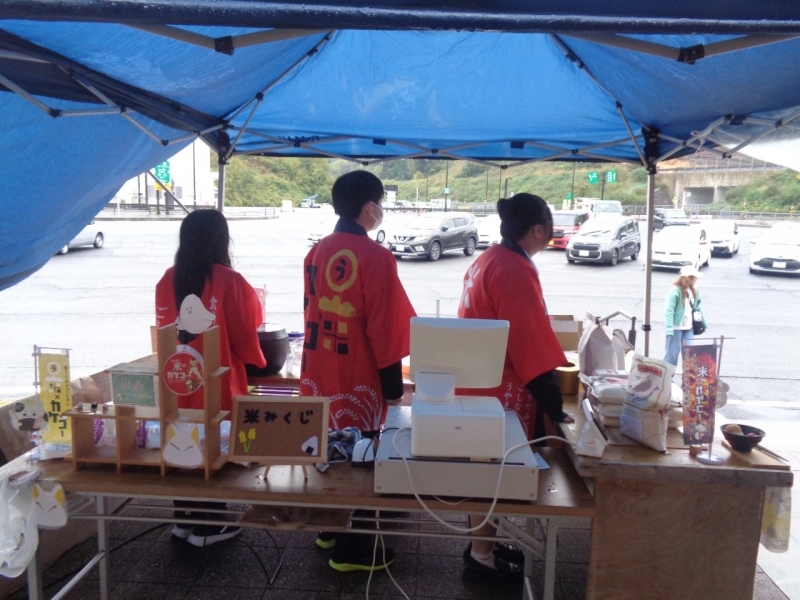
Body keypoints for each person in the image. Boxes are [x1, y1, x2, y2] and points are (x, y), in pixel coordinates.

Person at [301, 170, 416, 572]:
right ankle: (354, 550)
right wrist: (393, 389)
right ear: (370, 207)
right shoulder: (376, 257)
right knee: (362, 457)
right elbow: (385, 329)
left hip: (319, 368)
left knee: (328, 450)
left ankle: (329, 529)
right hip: (357, 374)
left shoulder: (316, 252)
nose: (381, 210)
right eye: (380, 203)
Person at [457, 193, 574, 580]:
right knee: (493, 477)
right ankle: (481, 558)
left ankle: (483, 547)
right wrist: (555, 408)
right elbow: (529, 345)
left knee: (484, 475)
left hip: (477, 383)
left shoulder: (489, 257)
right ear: (539, 230)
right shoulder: (515, 269)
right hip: (500, 391)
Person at [155, 209, 266, 547]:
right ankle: (210, 525)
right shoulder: (230, 280)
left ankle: (184, 519)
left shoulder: (167, 279)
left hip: (177, 378)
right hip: (216, 379)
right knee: (214, 444)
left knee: (182, 440)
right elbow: (247, 332)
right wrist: (257, 360)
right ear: (221, 240)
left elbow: (163, 331)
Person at [664, 265, 707, 366]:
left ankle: (688, 376)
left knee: (690, 355)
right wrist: (669, 328)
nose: (696, 279)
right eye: (695, 277)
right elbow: (668, 310)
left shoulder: (695, 290)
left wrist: (704, 323)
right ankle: (668, 374)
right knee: (672, 355)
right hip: (675, 328)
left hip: (689, 328)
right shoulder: (675, 290)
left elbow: (698, 308)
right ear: (688, 278)